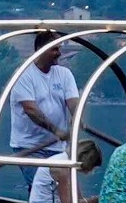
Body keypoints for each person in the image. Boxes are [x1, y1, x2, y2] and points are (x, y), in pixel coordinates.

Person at [9, 30, 79, 188]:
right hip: (29, 146)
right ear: (41, 49)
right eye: (55, 49)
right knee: (41, 188)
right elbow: (30, 110)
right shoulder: (24, 74)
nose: (59, 53)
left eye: (59, 49)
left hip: (57, 147)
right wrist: (57, 131)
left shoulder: (64, 74)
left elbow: (74, 102)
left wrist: (77, 118)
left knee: (60, 193)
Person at [28, 139, 103, 203]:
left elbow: (78, 198)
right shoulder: (62, 167)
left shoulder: (69, 164)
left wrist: (94, 201)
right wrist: (93, 200)